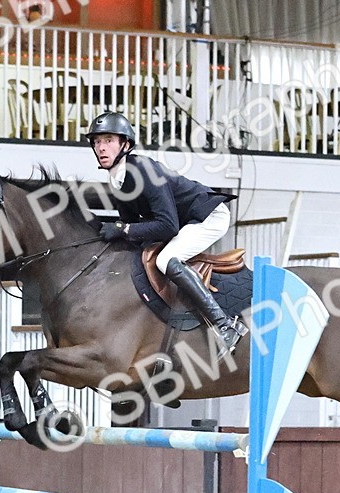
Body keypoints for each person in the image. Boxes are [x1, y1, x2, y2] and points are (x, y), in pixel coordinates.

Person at [85, 111, 248, 359]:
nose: (100, 147)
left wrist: (123, 229)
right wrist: (116, 230)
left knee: (165, 260)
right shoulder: (117, 178)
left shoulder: (143, 170)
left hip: (208, 216)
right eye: (97, 142)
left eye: (108, 140)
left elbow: (167, 225)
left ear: (125, 144)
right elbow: (131, 225)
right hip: (184, 222)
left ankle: (225, 325)